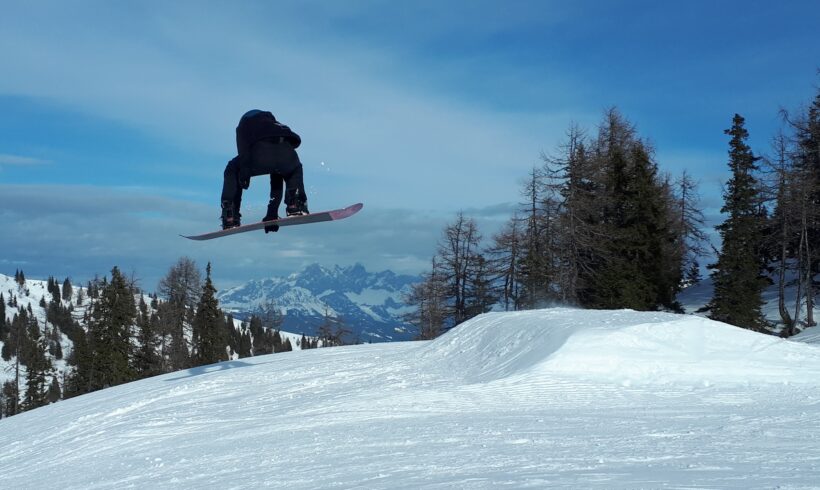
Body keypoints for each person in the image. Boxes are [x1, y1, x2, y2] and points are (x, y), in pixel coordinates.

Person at [221, 109, 309, 231]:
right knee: (293, 169)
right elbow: (277, 175)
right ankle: (295, 204)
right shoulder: (275, 125)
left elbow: (242, 147)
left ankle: (230, 215)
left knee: (232, 169)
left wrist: (244, 172)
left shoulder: (245, 122)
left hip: (258, 154)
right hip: (287, 153)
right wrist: (272, 214)